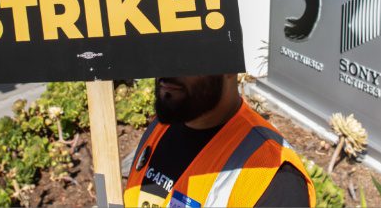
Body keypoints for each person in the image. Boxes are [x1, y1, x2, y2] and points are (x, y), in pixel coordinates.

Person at [124, 74, 315, 207]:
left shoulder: (274, 178)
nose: (167, 70)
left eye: (186, 53)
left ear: (230, 67)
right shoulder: (161, 127)